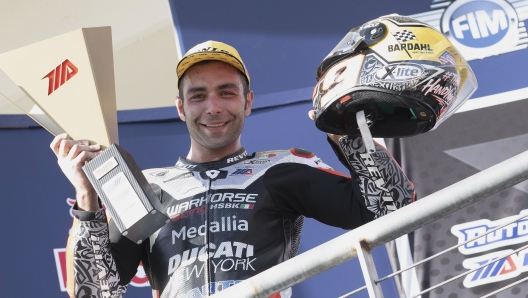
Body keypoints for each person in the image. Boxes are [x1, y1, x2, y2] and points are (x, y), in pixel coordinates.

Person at [50, 40, 414, 298]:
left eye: (226, 92)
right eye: (198, 96)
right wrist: (87, 198)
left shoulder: (282, 167)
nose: (213, 107)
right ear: (181, 107)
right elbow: (92, 292)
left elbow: (392, 209)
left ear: (248, 101)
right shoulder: (145, 187)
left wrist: (347, 133)